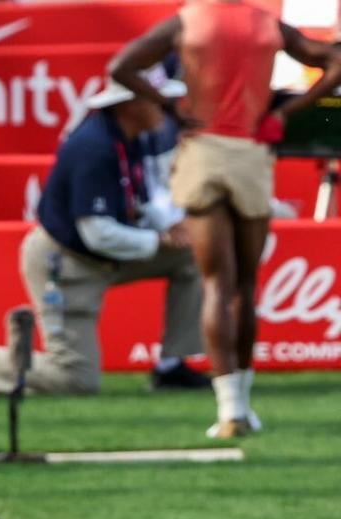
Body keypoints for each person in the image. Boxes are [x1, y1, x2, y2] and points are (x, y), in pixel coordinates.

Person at [111, 1, 341, 438]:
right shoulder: (266, 24)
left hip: (203, 151)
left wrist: (170, 105)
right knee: (245, 285)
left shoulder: (190, 20)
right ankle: (244, 403)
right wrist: (282, 113)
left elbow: (122, 66)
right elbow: (333, 61)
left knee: (216, 283)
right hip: (250, 153)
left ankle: (229, 409)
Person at [0, 74, 210, 399]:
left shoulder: (132, 135)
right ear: (131, 105)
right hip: (67, 265)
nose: (168, 109)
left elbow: (141, 195)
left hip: (108, 254)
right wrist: (159, 240)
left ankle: (171, 367)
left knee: (195, 253)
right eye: (160, 101)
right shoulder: (93, 148)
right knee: (76, 380)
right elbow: (97, 233)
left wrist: (169, 225)